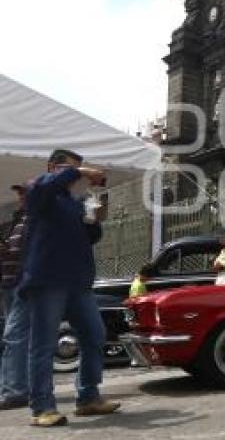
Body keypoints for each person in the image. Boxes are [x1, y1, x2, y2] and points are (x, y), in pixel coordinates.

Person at [20, 149, 120, 427]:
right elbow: (43, 186)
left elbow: (89, 236)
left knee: (94, 335)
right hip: (48, 279)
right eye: (70, 169)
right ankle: (42, 407)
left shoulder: (73, 202)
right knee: (43, 344)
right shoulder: (40, 189)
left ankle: (88, 397)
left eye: (78, 169)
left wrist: (97, 219)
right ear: (53, 167)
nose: (77, 174)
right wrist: (83, 171)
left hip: (77, 281)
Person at [0, 184, 30, 410]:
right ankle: (12, 388)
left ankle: (14, 391)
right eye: (19, 193)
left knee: (14, 335)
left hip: (22, 284)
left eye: (24, 193)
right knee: (15, 337)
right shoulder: (17, 220)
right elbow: (13, 252)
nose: (20, 197)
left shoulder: (35, 219)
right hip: (9, 284)